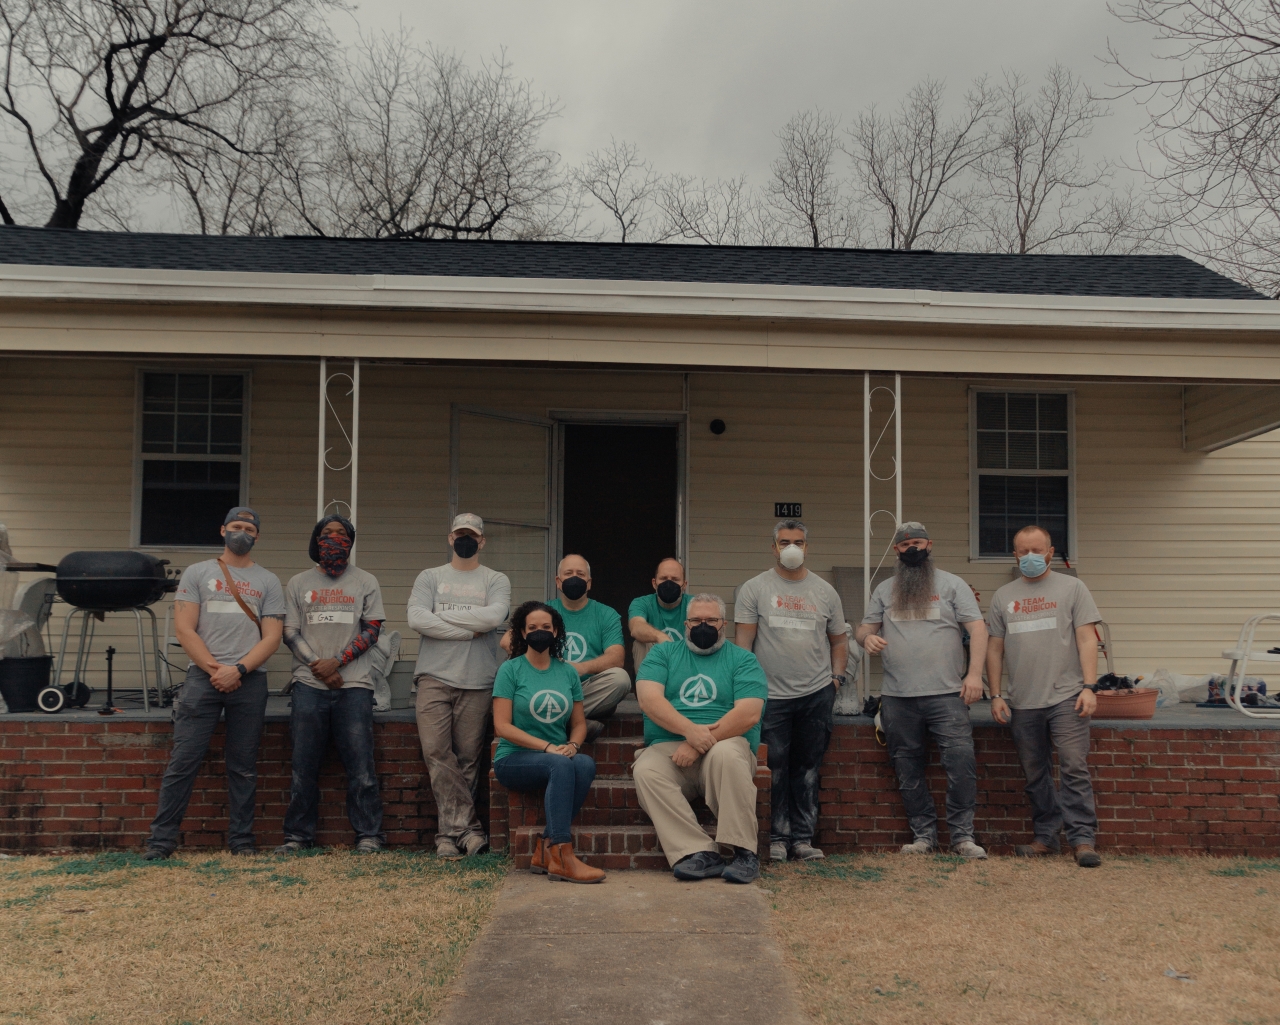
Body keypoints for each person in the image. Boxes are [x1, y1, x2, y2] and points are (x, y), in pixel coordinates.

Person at [144, 507, 285, 859]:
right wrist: (215, 669)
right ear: (223, 530)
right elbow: (184, 628)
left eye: (249, 528)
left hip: (249, 681)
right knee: (184, 761)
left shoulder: (268, 581)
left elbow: (272, 638)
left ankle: (242, 841)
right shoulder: (197, 573)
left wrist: (237, 669)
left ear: (257, 536)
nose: (242, 532)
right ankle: (161, 843)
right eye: (236, 526)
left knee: (243, 765)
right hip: (201, 679)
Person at [855, 522, 989, 859]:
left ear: (930, 544)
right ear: (896, 551)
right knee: (906, 766)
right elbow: (864, 628)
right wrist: (866, 638)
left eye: (917, 542)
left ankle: (962, 837)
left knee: (960, 762)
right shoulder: (884, 589)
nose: (911, 548)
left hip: (948, 694)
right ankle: (923, 836)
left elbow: (978, 628)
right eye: (904, 544)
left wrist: (975, 676)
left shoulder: (952, 584)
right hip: (898, 697)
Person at [986, 524, 1104, 868]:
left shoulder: (1073, 588)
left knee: (1073, 766)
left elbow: (1086, 639)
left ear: (1051, 552)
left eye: (1037, 551)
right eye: (1024, 552)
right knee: (1034, 773)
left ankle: (1082, 840)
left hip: (1068, 697)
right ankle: (1046, 838)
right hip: (1022, 702)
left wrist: (1089, 686)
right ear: (1015, 555)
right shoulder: (1002, 596)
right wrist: (995, 694)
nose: (1031, 557)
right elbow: (995, 648)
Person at [633, 593, 767, 884]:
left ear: (724, 624)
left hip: (726, 743)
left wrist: (698, 740)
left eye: (711, 620)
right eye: (696, 620)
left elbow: (749, 713)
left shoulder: (743, 659)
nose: (703, 625)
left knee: (727, 756)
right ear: (686, 623)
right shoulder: (662, 654)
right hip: (670, 747)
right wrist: (689, 731)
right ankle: (698, 852)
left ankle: (744, 852)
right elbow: (648, 699)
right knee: (646, 770)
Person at [735, 520, 848, 863]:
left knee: (808, 767)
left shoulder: (826, 591)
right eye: (784, 542)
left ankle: (803, 839)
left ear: (807, 547)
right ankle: (778, 839)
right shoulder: (754, 588)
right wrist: (747, 688)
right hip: (771, 697)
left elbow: (839, 639)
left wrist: (836, 679)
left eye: (798, 541)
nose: (792, 548)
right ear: (773, 548)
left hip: (816, 693)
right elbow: (744, 643)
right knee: (776, 767)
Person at [275, 515, 387, 856]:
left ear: (351, 542)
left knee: (362, 768)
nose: (334, 538)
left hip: (354, 685)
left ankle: (369, 835)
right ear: (316, 540)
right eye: (327, 533)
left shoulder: (366, 581)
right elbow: (289, 632)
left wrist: (337, 662)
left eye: (341, 534)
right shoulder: (297, 582)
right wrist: (319, 667)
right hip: (309, 684)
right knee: (303, 767)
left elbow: (372, 630)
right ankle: (298, 837)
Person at [407, 513, 511, 859]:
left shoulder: (495, 579)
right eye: (459, 534)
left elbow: (494, 618)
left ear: (482, 541)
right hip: (433, 677)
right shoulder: (429, 577)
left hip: (479, 679)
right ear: (450, 538)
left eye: (473, 536)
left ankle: (448, 837)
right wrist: (470, 629)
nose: (465, 540)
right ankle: (469, 830)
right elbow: (416, 618)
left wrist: (441, 617)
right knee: (436, 752)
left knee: (468, 758)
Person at [492, 600, 605, 883]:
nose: (539, 632)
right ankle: (562, 856)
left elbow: (578, 724)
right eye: (532, 628)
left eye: (546, 627)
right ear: (522, 632)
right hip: (514, 758)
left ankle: (545, 849)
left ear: (556, 632)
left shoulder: (567, 672)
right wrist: (546, 747)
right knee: (561, 765)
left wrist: (574, 745)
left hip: (555, 756)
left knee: (585, 764)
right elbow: (502, 726)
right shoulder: (511, 670)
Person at [503, 554, 631, 743]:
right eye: (568, 573)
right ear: (558, 581)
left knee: (620, 679)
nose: (574, 578)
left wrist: (578, 668)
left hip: (588, 688)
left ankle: (550, 718)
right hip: (547, 686)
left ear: (589, 583)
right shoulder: (544, 611)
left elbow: (616, 658)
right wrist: (551, 669)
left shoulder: (605, 614)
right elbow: (507, 641)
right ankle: (575, 723)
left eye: (580, 574)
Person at [627, 557, 692, 667]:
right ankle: (647, 682)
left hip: (686, 664)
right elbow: (636, 627)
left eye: (675, 579)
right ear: (654, 583)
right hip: (656, 664)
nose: (669, 583)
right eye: (663, 578)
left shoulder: (695, 604)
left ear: (684, 585)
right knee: (640, 643)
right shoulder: (642, 603)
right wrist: (661, 637)